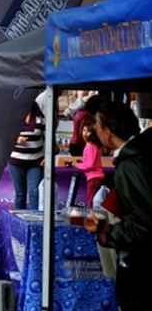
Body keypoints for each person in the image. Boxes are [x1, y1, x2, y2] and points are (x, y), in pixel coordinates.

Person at [85, 101, 148, 311]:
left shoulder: (131, 164)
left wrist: (107, 231)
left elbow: (143, 223)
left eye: (97, 124)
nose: (95, 129)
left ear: (108, 131)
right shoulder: (137, 155)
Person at [8, 102, 45, 210]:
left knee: (34, 191)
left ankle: (34, 221)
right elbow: (4, 137)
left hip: (35, 162)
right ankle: (19, 222)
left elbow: (48, 138)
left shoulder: (40, 119)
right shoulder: (12, 118)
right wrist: (16, 139)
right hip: (16, 162)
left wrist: (47, 157)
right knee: (20, 194)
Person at [71, 116, 104, 206]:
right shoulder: (91, 146)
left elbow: (90, 165)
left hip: (94, 178)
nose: (85, 133)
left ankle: (90, 218)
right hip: (94, 178)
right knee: (92, 200)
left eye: (88, 131)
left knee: (90, 201)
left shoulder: (90, 146)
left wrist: (77, 165)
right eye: (84, 130)